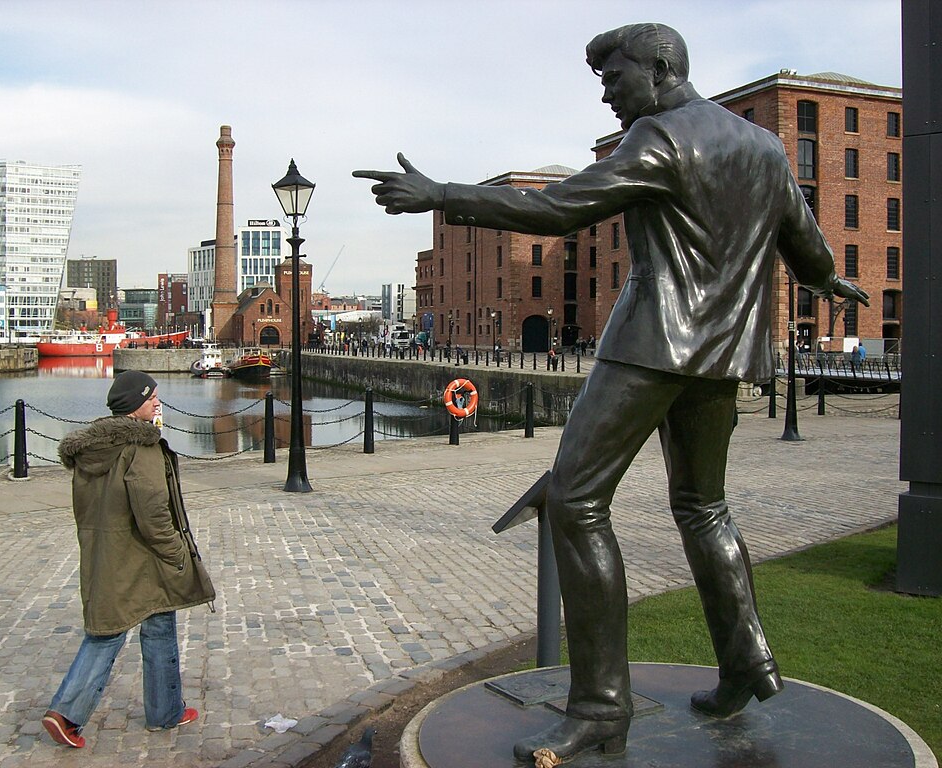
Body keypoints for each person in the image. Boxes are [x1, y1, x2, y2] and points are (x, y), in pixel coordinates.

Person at [355, 22, 869, 762]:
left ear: (659, 71)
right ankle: (747, 662)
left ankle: (600, 706)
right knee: (703, 505)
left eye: (613, 77)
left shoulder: (658, 139)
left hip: (653, 345)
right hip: (722, 356)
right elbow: (803, 236)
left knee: (576, 500)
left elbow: (560, 209)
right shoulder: (762, 147)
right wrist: (826, 278)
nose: (605, 92)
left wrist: (440, 194)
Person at [42, 371, 216, 749]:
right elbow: (154, 513)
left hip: (108, 554)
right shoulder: (141, 449)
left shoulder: (94, 450)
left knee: (151, 624)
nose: (158, 402)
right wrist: (177, 554)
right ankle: (67, 712)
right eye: (152, 396)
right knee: (112, 633)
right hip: (143, 558)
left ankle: (166, 710)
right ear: (134, 403)